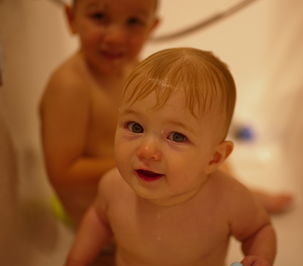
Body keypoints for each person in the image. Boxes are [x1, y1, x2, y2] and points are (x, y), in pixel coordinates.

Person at [40, 0, 291, 229]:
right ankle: (237, 202)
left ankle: (241, 193)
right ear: (72, 20)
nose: (116, 36)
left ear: (152, 27)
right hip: (100, 213)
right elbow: (63, 174)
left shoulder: (133, 67)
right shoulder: (71, 85)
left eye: (134, 22)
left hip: (138, 179)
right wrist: (138, 158)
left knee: (207, 147)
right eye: (99, 17)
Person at [65, 47, 276, 266]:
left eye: (176, 136)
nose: (146, 150)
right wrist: (77, 260)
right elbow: (99, 219)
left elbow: (259, 230)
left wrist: (260, 258)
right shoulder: (113, 186)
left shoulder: (228, 199)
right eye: (135, 126)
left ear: (213, 158)